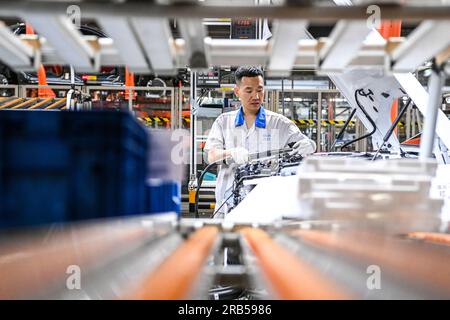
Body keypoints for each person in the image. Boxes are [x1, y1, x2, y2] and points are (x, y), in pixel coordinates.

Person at [204, 66, 316, 215]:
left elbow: (305, 147)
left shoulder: (280, 123)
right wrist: (231, 153)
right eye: (249, 91)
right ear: (237, 92)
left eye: (259, 90)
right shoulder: (223, 122)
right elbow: (211, 155)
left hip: (267, 208)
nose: (256, 96)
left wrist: (308, 146)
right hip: (227, 206)